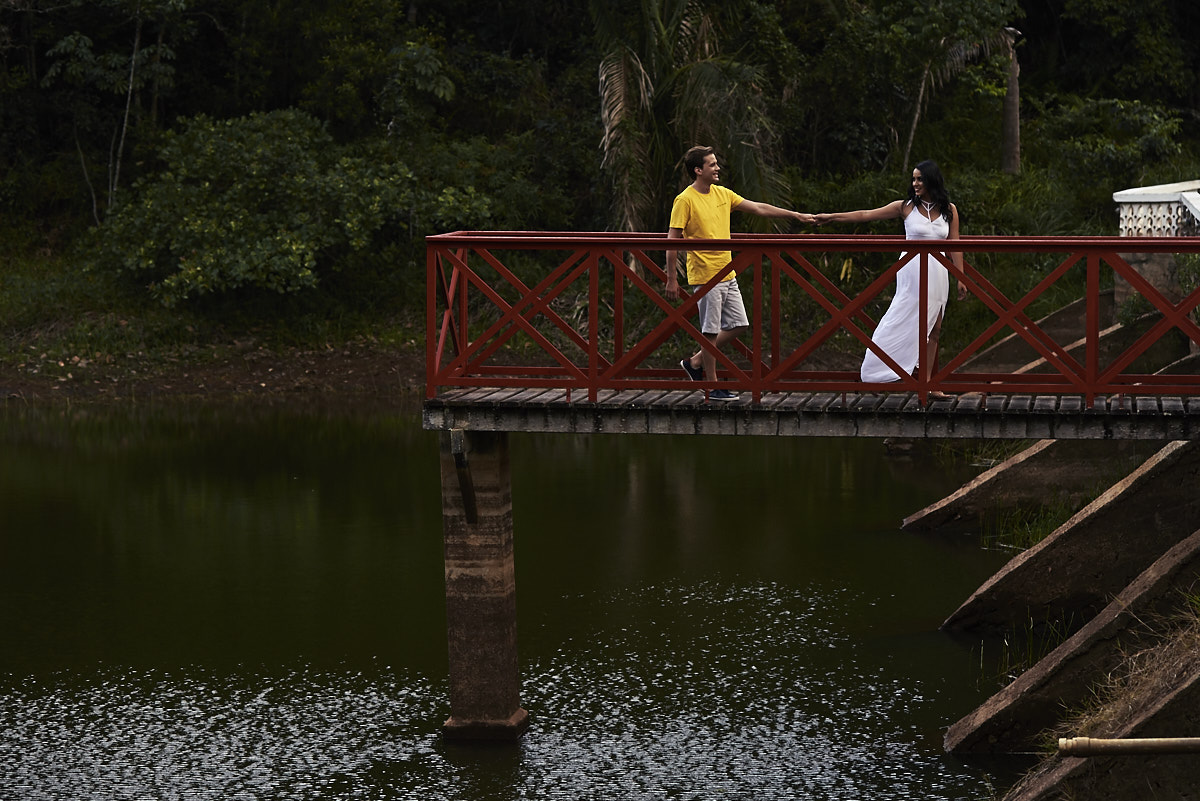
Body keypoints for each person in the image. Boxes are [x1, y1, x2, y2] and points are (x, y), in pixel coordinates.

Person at [666, 145, 816, 401]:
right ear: (698, 170)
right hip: (705, 274)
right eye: (712, 165)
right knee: (710, 332)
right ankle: (712, 387)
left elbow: (758, 208)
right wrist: (671, 278)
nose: (717, 168)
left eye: (716, 163)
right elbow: (672, 241)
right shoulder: (685, 200)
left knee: (738, 324)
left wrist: (795, 215)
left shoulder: (722, 194)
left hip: (727, 271)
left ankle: (695, 362)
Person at [814, 160, 965, 395]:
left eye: (919, 179)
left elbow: (955, 244)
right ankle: (879, 374)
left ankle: (927, 384)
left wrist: (960, 278)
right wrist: (832, 217)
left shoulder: (949, 209)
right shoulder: (905, 207)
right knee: (899, 317)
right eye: (913, 179)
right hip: (912, 270)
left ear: (931, 180)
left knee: (934, 328)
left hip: (938, 272)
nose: (914, 183)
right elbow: (866, 214)